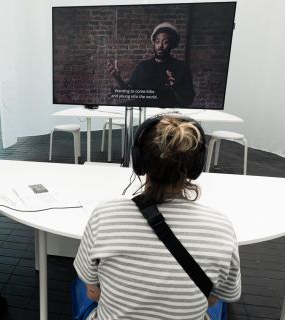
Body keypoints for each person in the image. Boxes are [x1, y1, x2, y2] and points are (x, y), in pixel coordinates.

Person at [73, 115, 241, 319]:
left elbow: (93, 291)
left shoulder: (104, 215)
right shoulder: (221, 227)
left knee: (80, 283)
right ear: (196, 167)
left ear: (140, 162)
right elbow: (219, 296)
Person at [107, 22, 195, 107]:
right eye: (157, 41)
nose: (160, 45)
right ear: (154, 43)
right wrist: (118, 78)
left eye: (165, 42)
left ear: (172, 44)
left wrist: (176, 87)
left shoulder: (182, 67)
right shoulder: (143, 66)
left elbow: (188, 102)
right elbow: (129, 92)